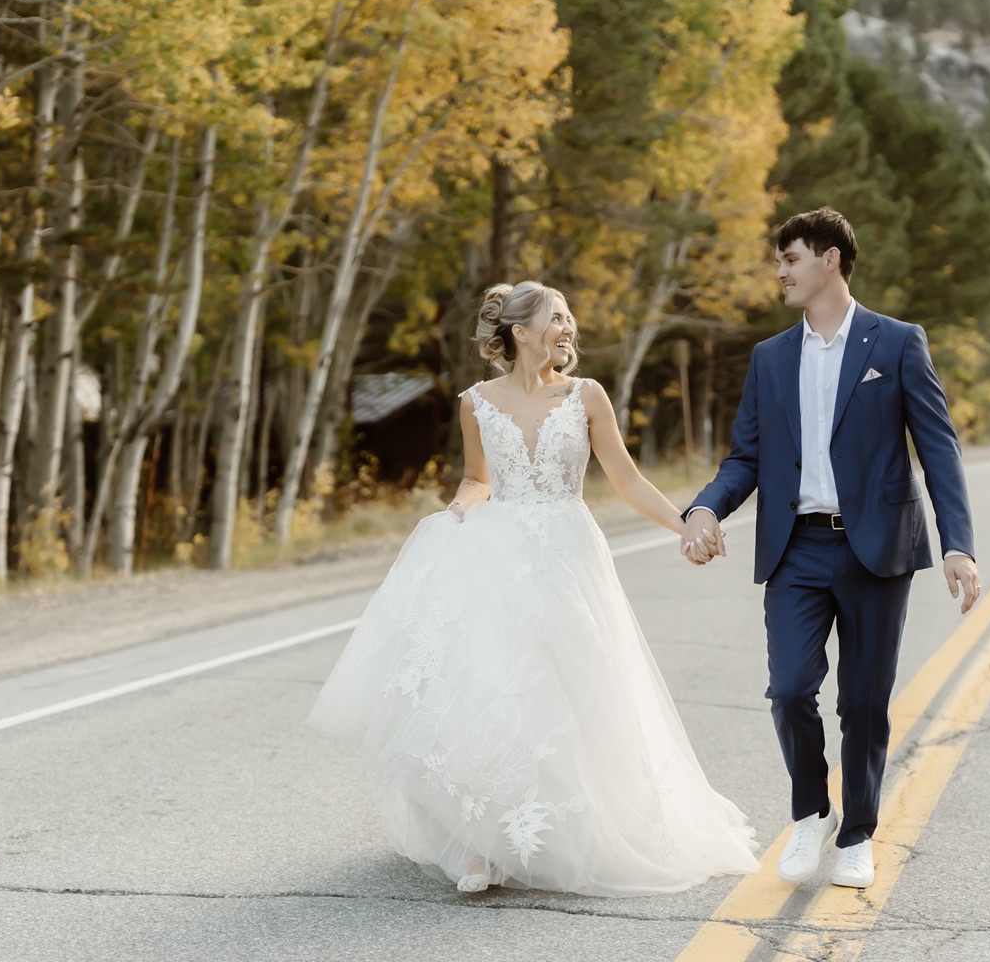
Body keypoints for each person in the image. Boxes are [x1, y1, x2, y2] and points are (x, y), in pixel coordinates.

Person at [308, 281, 758, 896]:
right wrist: (460, 511)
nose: (569, 327)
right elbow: (475, 478)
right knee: (492, 690)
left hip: (569, 555)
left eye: (570, 317)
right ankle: (477, 843)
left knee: (576, 689)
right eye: (557, 318)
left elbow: (625, 481)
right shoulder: (475, 402)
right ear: (521, 331)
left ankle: (577, 830)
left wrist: (685, 526)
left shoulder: (587, 396)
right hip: (497, 553)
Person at [681, 207, 980, 890]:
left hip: (878, 550)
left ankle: (857, 834)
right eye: (779, 260)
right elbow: (745, 458)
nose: (779, 272)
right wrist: (703, 507)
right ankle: (811, 809)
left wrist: (958, 542)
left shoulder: (898, 343)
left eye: (790, 258)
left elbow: (939, 449)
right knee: (789, 690)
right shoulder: (770, 357)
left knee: (865, 703)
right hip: (797, 549)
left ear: (831, 261)